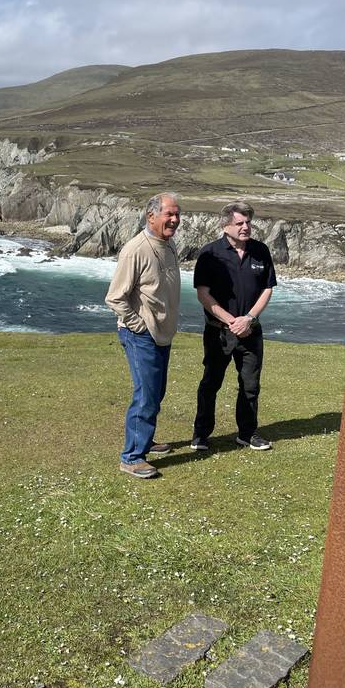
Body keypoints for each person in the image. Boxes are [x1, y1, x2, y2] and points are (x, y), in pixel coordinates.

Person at [105, 192, 181, 479]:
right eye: (168, 214)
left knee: (156, 391)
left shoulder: (168, 244)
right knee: (146, 395)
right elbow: (115, 297)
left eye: (176, 214)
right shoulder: (136, 249)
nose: (174, 220)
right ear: (151, 216)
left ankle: (145, 441)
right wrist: (138, 325)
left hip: (162, 333)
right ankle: (132, 457)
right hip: (142, 335)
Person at [191, 201, 277, 453]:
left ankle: (248, 434)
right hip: (219, 331)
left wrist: (248, 318)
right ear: (225, 226)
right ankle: (201, 435)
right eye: (239, 223)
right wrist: (232, 321)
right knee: (211, 382)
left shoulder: (261, 251)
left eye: (248, 222)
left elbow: (267, 288)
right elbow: (203, 294)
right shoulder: (210, 253)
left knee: (250, 385)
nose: (246, 227)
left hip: (251, 330)